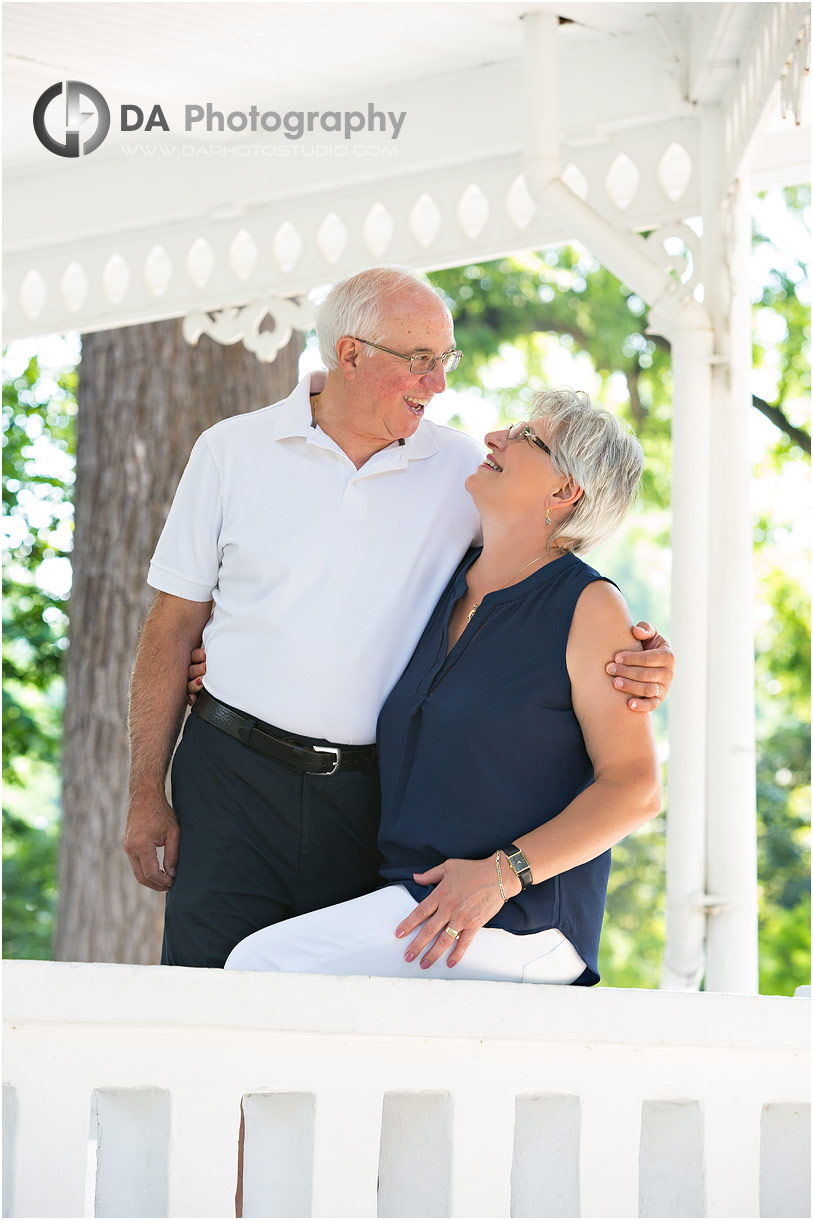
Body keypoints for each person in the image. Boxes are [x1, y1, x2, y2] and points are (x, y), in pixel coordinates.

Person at [125, 265, 674, 970]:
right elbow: (170, 627)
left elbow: (554, 570)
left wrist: (645, 655)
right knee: (206, 993)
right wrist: (144, 793)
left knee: (329, 1024)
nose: (438, 382)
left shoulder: (459, 471)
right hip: (228, 777)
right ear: (350, 354)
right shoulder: (230, 451)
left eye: (446, 360)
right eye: (420, 360)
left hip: (367, 803)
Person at [224, 390, 659, 986]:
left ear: (564, 492)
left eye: (527, 437)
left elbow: (636, 789)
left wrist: (501, 875)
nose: (494, 438)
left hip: (517, 922)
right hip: (416, 905)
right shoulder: (442, 584)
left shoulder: (590, 605)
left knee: (258, 967)